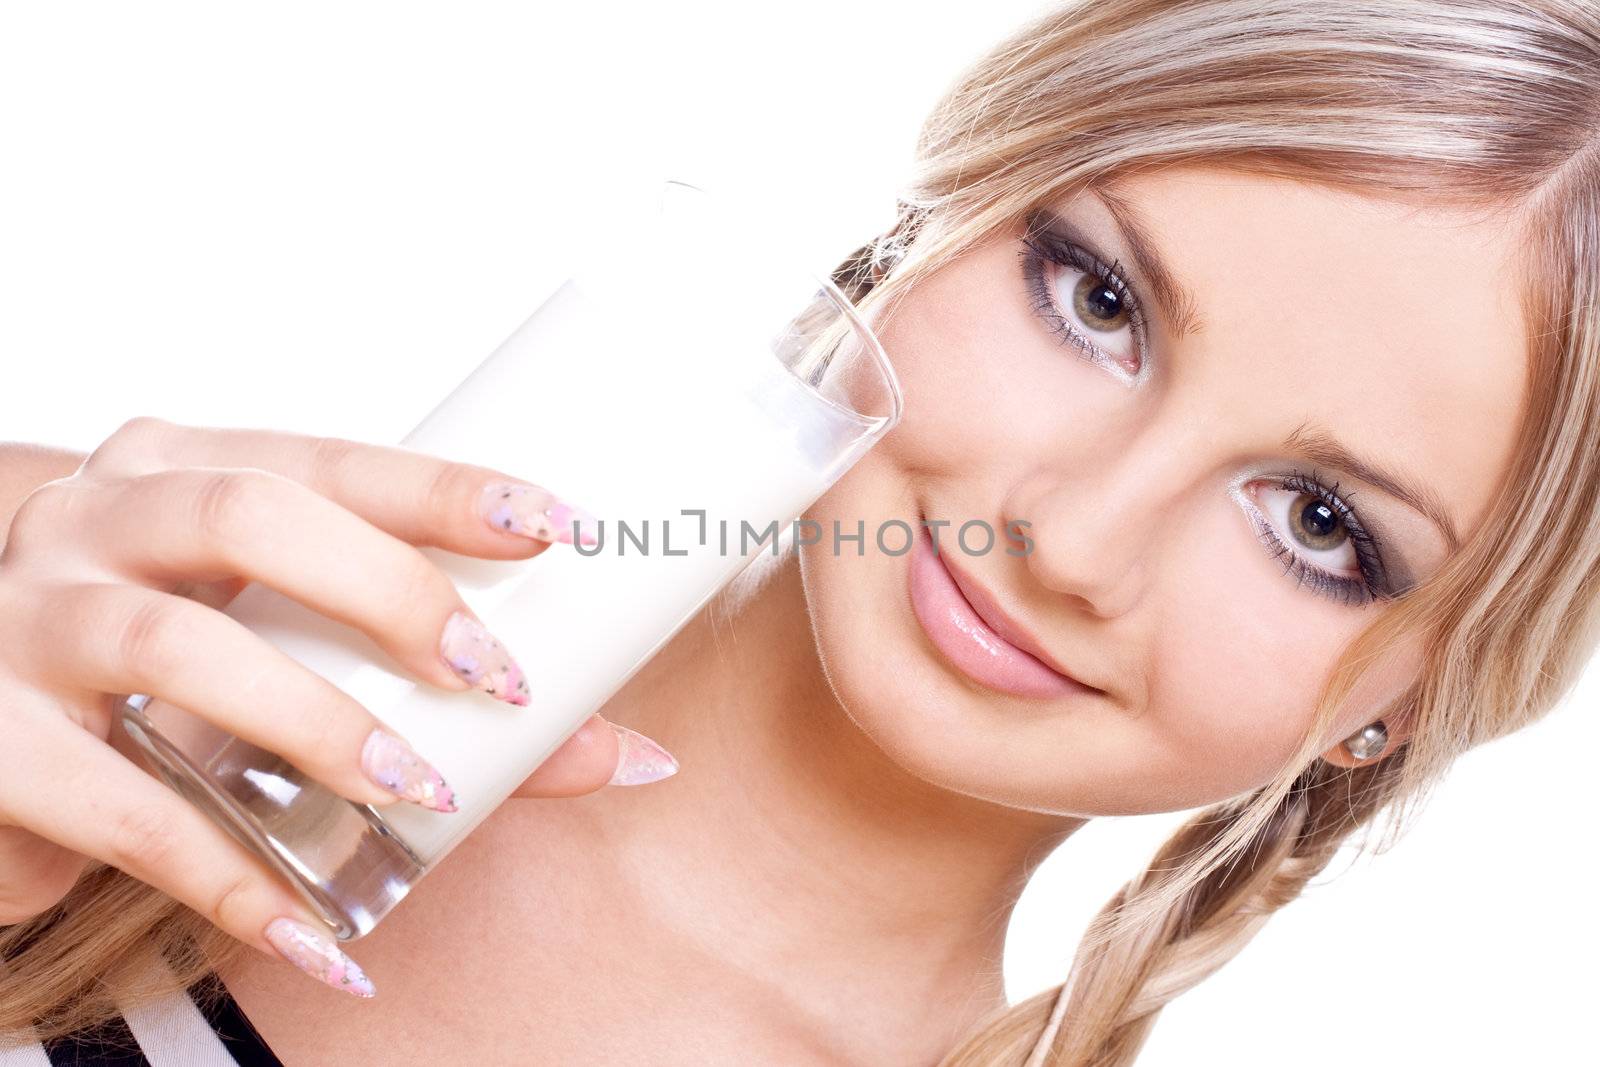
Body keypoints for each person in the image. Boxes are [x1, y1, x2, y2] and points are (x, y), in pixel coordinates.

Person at [4, 0, 1599, 1063]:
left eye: (1320, 523)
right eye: (1096, 299)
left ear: (1415, 691)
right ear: (938, 220)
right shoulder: (74, 609)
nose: (1070, 540)